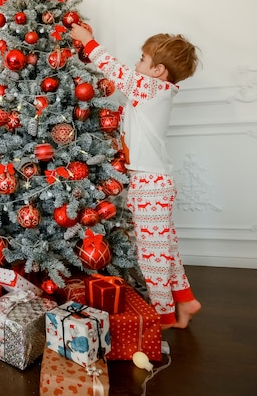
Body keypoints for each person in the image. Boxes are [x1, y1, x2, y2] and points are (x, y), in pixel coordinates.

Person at [70, 23, 202, 329]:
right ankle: (185, 301)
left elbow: (119, 73)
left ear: (157, 70)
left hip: (150, 183)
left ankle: (163, 316)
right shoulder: (154, 93)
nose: (136, 64)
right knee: (165, 247)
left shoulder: (152, 88)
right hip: (155, 181)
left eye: (142, 60)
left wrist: (89, 43)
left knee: (151, 254)